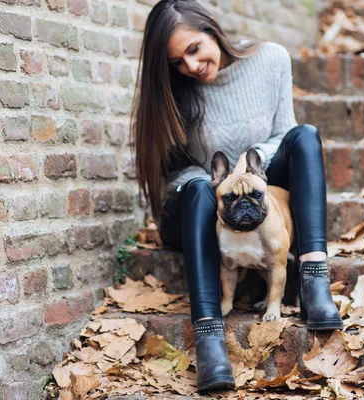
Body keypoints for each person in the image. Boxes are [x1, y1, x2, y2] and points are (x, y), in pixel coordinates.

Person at [130, 0, 343, 391]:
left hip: (256, 180)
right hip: (200, 204)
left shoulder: (271, 59)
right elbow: (175, 172)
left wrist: (248, 165)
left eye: (194, 49)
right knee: (195, 188)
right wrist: (218, 185)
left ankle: (314, 278)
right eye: (178, 62)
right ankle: (209, 334)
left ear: (212, 30)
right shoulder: (176, 92)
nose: (191, 67)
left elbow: (284, 133)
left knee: (306, 137)